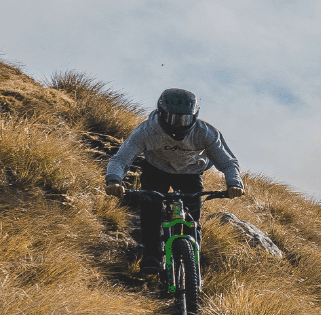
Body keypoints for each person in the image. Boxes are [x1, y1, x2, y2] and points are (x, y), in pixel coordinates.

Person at [104, 87, 243, 276]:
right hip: (156, 169)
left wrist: (234, 183)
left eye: (184, 120)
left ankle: (193, 262)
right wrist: (114, 179)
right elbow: (121, 158)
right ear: (161, 114)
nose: (178, 125)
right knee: (151, 209)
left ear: (194, 117)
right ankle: (151, 255)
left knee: (193, 219)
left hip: (191, 173)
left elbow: (227, 161)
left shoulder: (206, 133)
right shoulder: (147, 130)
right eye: (172, 119)